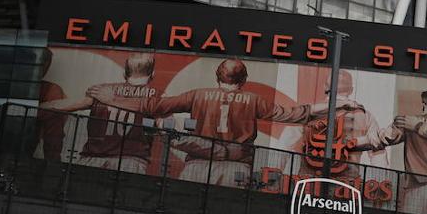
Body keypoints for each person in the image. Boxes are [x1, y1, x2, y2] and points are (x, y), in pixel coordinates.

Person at [91, 58, 306, 187]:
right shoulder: (254, 100)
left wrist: (113, 99)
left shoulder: (197, 95)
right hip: (236, 167)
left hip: (196, 165)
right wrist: (327, 108)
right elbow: (292, 115)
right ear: (244, 80)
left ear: (217, 77)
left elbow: (152, 106)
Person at [40, 52, 160, 174]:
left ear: (124, 73)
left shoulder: (101, 91)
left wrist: (37, 106)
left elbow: (64, 105)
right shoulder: (155, 97)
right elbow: (167, 129)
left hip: (93, 158)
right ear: (152, 74)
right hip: (131, 160)